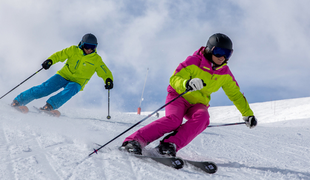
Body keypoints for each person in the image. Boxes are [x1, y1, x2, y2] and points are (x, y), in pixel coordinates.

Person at [120, 33, 257, 156]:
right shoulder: (194, 61)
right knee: (174, 120)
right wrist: (187, 83)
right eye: (219, 52)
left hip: (198, 103)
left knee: (203, 117)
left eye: (227, 54)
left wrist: (248, 114)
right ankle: (134, 141)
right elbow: (174, 79)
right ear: (210, 49)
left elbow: (236, 95)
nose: (222, 57)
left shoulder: (225, 73)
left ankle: (169, 145)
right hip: (179, 96)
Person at [11, 33, 113, 113]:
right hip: (63, 75)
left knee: (69, 91)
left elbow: (105, 71)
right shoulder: (73, 50)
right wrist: (50, 61)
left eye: (92, 47)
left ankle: (49, 106)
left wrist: (108, 80)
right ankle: (18, 101)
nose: (89, 49)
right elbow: (59, 55)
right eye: (87, 46)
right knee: (44, 88)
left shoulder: (96, 59)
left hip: (78, 81)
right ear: (82, 44)